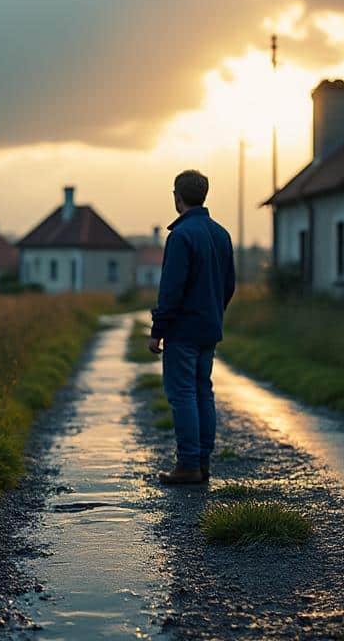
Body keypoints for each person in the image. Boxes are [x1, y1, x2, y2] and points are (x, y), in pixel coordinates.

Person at [148, 169, 236, 485]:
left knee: (182, 393)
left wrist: (158, 331)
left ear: (177, 196)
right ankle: (202, 462)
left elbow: (170, 291)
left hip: (183, 332)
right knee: (203, 392)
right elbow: (229, 285)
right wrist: (214, 313)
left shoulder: (181, 236)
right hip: (208, 330)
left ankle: (187, 464)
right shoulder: (221, 234)